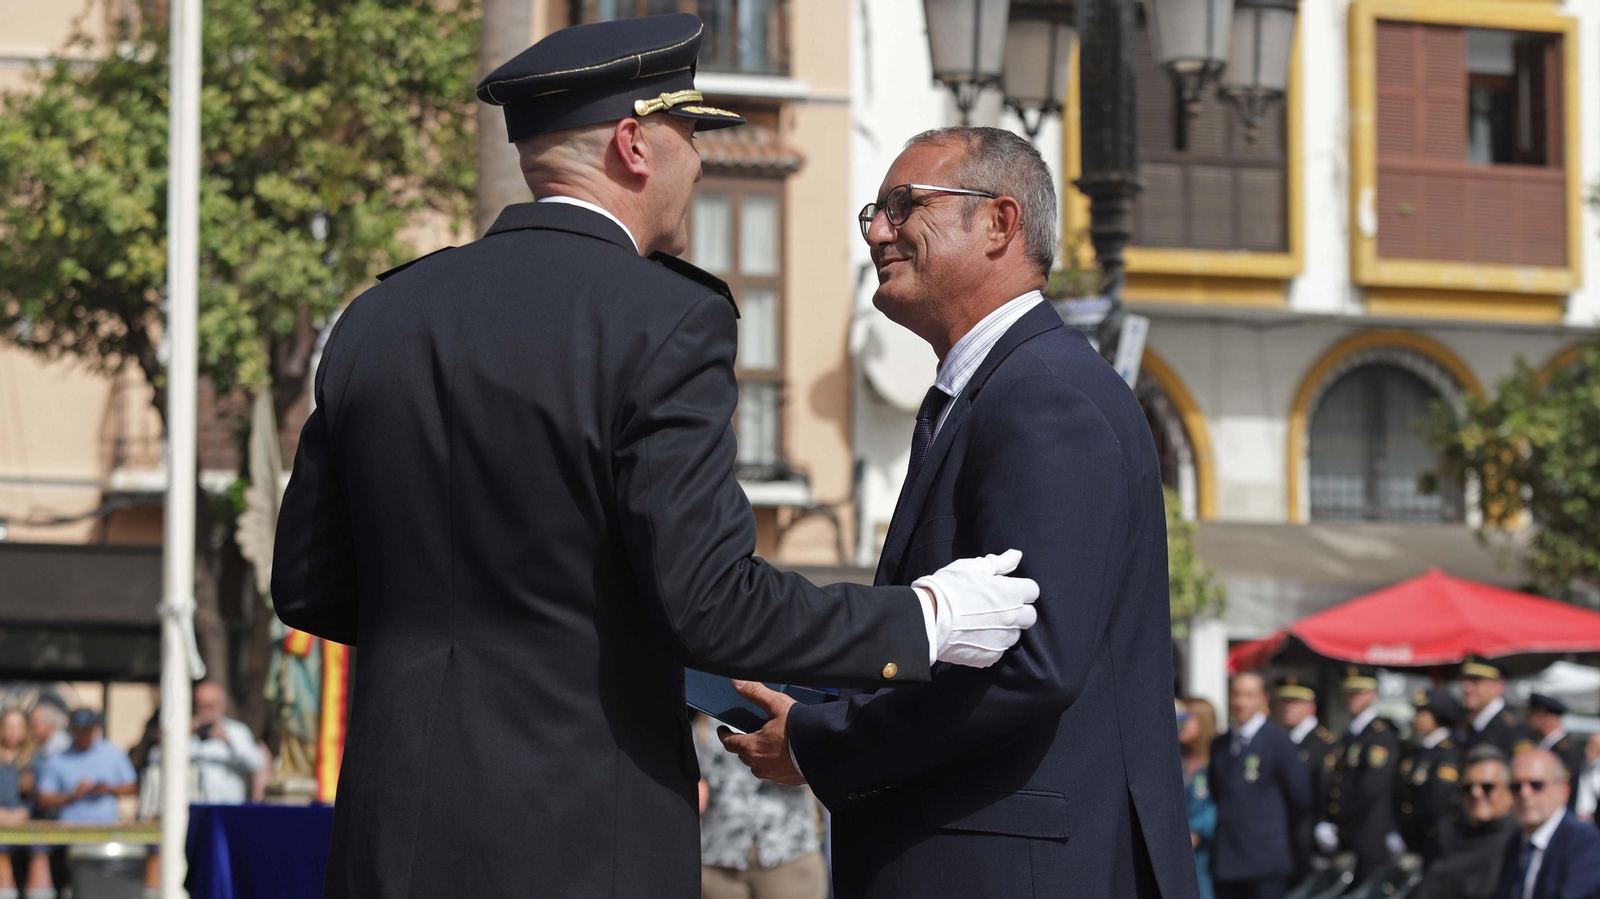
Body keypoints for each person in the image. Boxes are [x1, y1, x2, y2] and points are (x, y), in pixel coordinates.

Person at [269, 15, 1040, 899]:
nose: (700, 164)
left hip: (387, 836)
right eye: (689, 135)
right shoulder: (664, 318)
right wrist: (924, 621)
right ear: (635, 146)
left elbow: (309, 584)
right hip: (579, 840)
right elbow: (713, 604)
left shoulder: (380, 316)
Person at [718, 125, 1199, 899]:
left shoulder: (1043, 395)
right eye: (874, 210)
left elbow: (1032, 661)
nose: (878, 230)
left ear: (1000, 223)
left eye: (904, 205)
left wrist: (822, 739)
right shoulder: (994, 390)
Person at [692, 715, 825, 899]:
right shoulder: (705, 721)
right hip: (718, 860)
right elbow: (696, 780)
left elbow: (820, 770)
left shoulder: (792, 714)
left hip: (788, 853)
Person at [1206, 673, 1310, 899]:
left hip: (1265, 860)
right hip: (1227, 859)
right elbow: (1218, 794)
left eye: (1249, 695)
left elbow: (1300, 798)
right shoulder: (1220, 744)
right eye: (1236, 694)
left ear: (1263, 699)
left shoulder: (1278, 742)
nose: (1241, 702)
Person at [1315, 666, 1401, 882]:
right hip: (1348, 835)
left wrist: (1340, 821)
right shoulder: (1351, 733)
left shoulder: (1379, 735)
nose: (1352, 697)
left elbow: (1370, 788)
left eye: (1359, 692)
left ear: (1373, 694)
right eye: (1349, 692)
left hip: (1368, 833)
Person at [1411, 745, 1520, 899]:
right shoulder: (1453, 833)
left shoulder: (1516, 846)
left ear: (1509, 791)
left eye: (1487, 787)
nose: (1476, 793)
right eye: (1467, 788)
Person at [1494, 748, 1600, 899]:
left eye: (1536, 785)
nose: (1525, 794)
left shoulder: (1585, 842)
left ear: (1563, 791)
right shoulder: (1515, 842)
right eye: (1516, 787)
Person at [1273, 675, 1336, 879]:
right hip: (1282, 836)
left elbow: (1326, 788)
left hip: (1309, 837)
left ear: (1311, 707)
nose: (1288, 707)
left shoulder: (1321, 744)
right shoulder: (1280, 741)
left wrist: (1324, 822)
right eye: (1284, 701)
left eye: (1295, 701)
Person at [1397, 687, 1463, 865]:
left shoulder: (1447, 753)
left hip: (1435, 840)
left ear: (1439, 716)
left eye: (1422, 713)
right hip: (1413, 838)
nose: (1416, 719)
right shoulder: (1417, 752)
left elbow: (1438, 800)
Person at [33, 710, 135, 824]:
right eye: (80, 731)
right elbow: (43, 799)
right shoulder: (58, 759)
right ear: (73, 731)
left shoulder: (113, 753)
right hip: (70, 831)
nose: (84, 735)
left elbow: (132, 787)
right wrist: (72, 796)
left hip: (106, 829)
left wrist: (108, 789)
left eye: (88, 730)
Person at [1180, 698, 1219, 899]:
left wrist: (1198, 830)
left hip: (1205, 853)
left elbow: (1221, 803)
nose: (1179, 723)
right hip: (1178, 848)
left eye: (1185, 718)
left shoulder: (1216, 761)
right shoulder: (1179, 760)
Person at [1460, 657, 1533, 759]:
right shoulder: (1474, 726)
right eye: (1464, 680)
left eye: (1476, 681)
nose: (1466, 688)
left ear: (1499, 685)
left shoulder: (1512, 730)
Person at [1524, 694, 1582, 813]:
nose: (1528, 720)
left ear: (1545, 718)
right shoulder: (1541, 746)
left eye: (1533, 716)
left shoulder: (1566, 750)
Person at [0, 709, 35, 899]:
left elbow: (36, 800)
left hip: (26, 828)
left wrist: (22, 813)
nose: (11, 731)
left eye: (17, 726)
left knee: (39, 853)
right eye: (8, 726)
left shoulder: (34, 759)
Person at [1574, 735, 1600, 821]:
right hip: (1577, 817)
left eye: (1595, 746)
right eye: (1589, 744)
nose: (1589, 749)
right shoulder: (1578, 767)